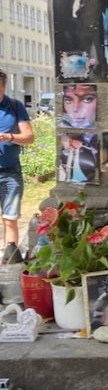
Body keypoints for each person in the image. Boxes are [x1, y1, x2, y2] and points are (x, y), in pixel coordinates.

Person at [0, 71, 34, 264]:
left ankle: (9, 261)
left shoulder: (15, 106)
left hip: (10, 173)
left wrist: (9, 137)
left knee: (10, 218)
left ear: (3, 86)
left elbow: (29, 137)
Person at [71, 0, 108, 78]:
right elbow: (75, 14)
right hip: (85, 32)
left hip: (97, 32)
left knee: (100, 54)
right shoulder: (85, 1)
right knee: (83, 54)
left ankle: (104, 72)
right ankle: (83, 75)